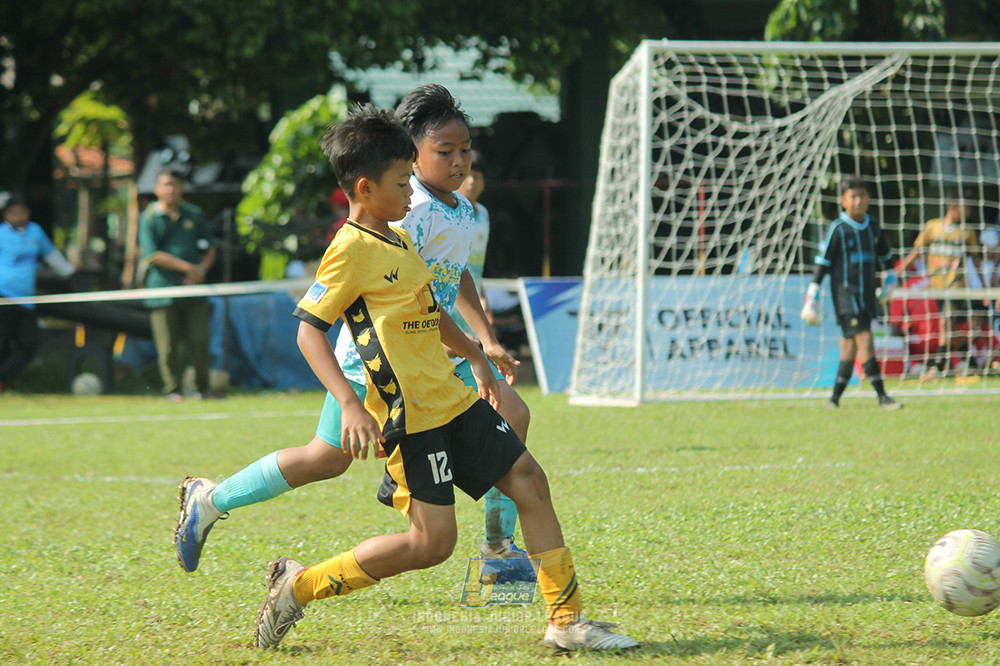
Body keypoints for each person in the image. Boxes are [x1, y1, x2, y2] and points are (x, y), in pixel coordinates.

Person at [178, 105, 638, 652]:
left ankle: (566, 621)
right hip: (408, 416)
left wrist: (481, 358)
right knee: (431, 545)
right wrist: (350, 406)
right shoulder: (349, 250)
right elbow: (308, 332)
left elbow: (433, 310)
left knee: (530, 481)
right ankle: (296, 587)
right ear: (367, 188)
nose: (409, 192)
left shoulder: (399, 238)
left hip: (452, 398)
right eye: (402, 183)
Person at [173, 88, 530, 578]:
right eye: (443, 152)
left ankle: (498, 548)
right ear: (410, 155)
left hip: (432, 357)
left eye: (464, 150)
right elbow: (372, 300)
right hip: (377, 364)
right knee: (325, 459)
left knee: (513, 413)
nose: (459, 161)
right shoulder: (409, 213)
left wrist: (483, 342)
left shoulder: (461, 209)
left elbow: (451, 277)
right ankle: (211, 500)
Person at [801, 176, 902, 409]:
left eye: (863, 196)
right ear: (843, 201)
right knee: (865, 340)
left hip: (866, 296)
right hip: (846, 296)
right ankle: (883, 397)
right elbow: (823, 264)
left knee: (849, 345)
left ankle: (834, 400)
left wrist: (890, 278)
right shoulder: (837, 229)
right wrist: (812, 294)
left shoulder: (873, 226)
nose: (859, 201)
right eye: (853, 197)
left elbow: (886, 256)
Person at [137, 168, 218, 401]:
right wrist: (187, 268)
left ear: (182, 188)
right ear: (156, 189)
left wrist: (199, 271)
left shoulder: (195, 214)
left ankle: (203, 388)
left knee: (200, 340)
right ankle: (173, 390)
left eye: (174, 185)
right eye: (165, 185)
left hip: (193, 289)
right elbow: (152, 255)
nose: (170, 190)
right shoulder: (149, 216)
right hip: (163, 289)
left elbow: (210, 248)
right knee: (168, 346)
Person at [896, 190, 982, 377]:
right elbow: (916, 252)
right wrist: (897, 271)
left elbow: (976, 261)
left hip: (956, 286)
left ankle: (938, 365)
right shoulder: (932, 228)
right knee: (951, 328)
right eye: (965, 208)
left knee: (945, 322)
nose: (967, 213)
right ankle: (971, 362)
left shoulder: (967, 233)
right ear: (953, 206)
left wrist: (984, 288)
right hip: (937, 287)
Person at [0, 196, 76, 393]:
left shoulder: (35, 231)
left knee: (29, 345)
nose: (18, 216)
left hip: (26, 300)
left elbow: (51, 255)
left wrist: (69, 271)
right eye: (13, 212)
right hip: (3, 297)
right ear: (6, 215)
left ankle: (2, 380)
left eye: (22, 211)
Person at [457, 149, 492, 321]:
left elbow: (477, 267)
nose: (471, 182)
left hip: (474, 304)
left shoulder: (484, 215)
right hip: (447, 304)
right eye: (466, 176)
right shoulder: (447, 213)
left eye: (477, 176)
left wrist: (483, 297)